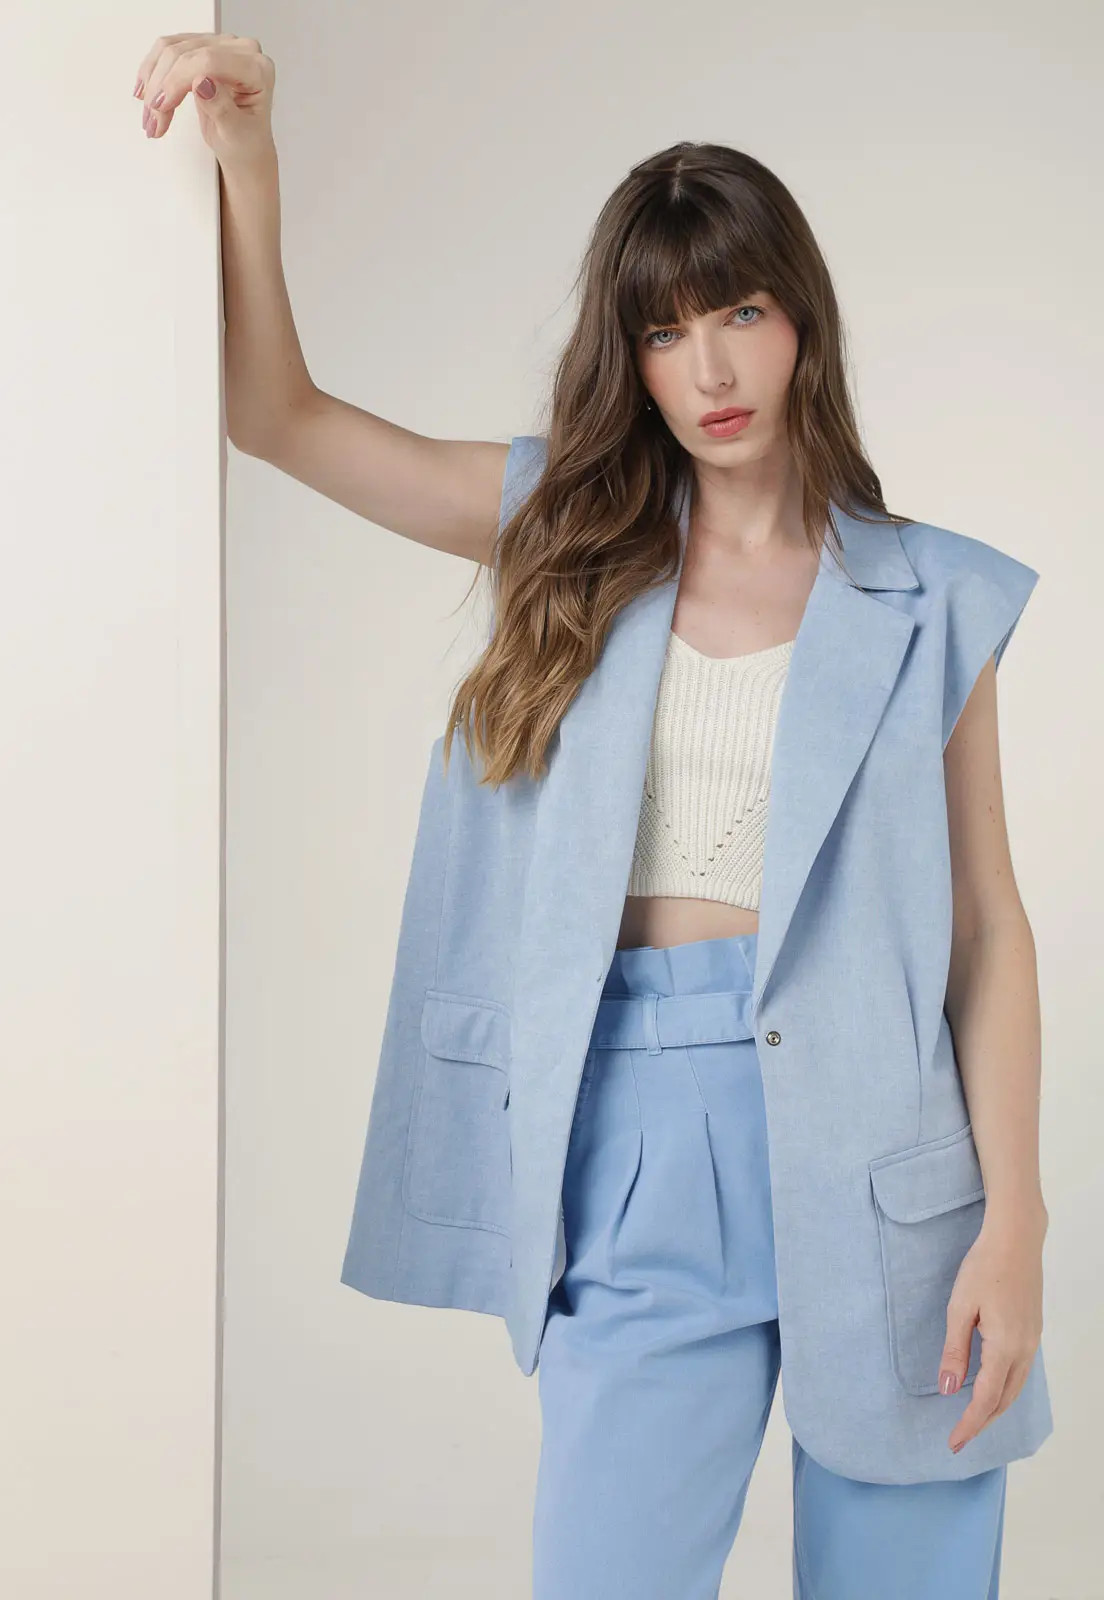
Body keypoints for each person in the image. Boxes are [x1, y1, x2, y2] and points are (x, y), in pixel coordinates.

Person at [134, 33, 1053, 1598]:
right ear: (631, 360)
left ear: (801, 322)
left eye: (740, 313)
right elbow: (274, 415)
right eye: (666, 331)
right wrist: (251, 160)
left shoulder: (935, 597)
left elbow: (987, 926)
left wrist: (1016, 1220)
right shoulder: (558, 525)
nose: (711, 371)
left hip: (891, 1151)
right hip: (637, 1144)